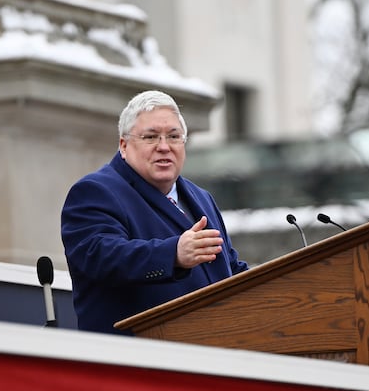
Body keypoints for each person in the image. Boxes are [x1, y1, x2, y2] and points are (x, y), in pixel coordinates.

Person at [61, 90, 248, 335]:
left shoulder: (202, 197)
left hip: (213, 347)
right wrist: (173, 255)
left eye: (173, 136)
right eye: (150, 137)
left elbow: (229, 267)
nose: (163, 147)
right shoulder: (94, 191)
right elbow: (102, 257)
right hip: (135, 358)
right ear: (124, 145)